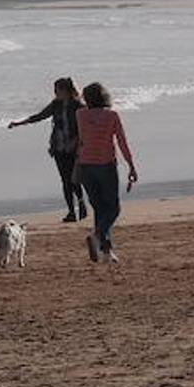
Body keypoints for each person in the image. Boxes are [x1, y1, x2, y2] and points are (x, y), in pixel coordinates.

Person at [9, 77, 88, 222]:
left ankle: (82, 203)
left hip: (74, 148)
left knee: (74, 178)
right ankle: (71, 212)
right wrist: (19, 123)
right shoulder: (56, 104)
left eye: (57, 89)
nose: (55, 92)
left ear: (66, 90)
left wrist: (75, 141)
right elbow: (40, 116)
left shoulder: (78, 106)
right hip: (58, 147)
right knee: (65, 180)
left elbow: (84, 128)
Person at [74, 82, 137, 264]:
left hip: (86, 166)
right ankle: (97, 237)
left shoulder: (80, 115)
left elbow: (82, 139)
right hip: (105, 165)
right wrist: (131, 165)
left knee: (100, 210)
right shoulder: (112, 116)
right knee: (113, 208)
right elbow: (122, 142)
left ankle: (106, 252)